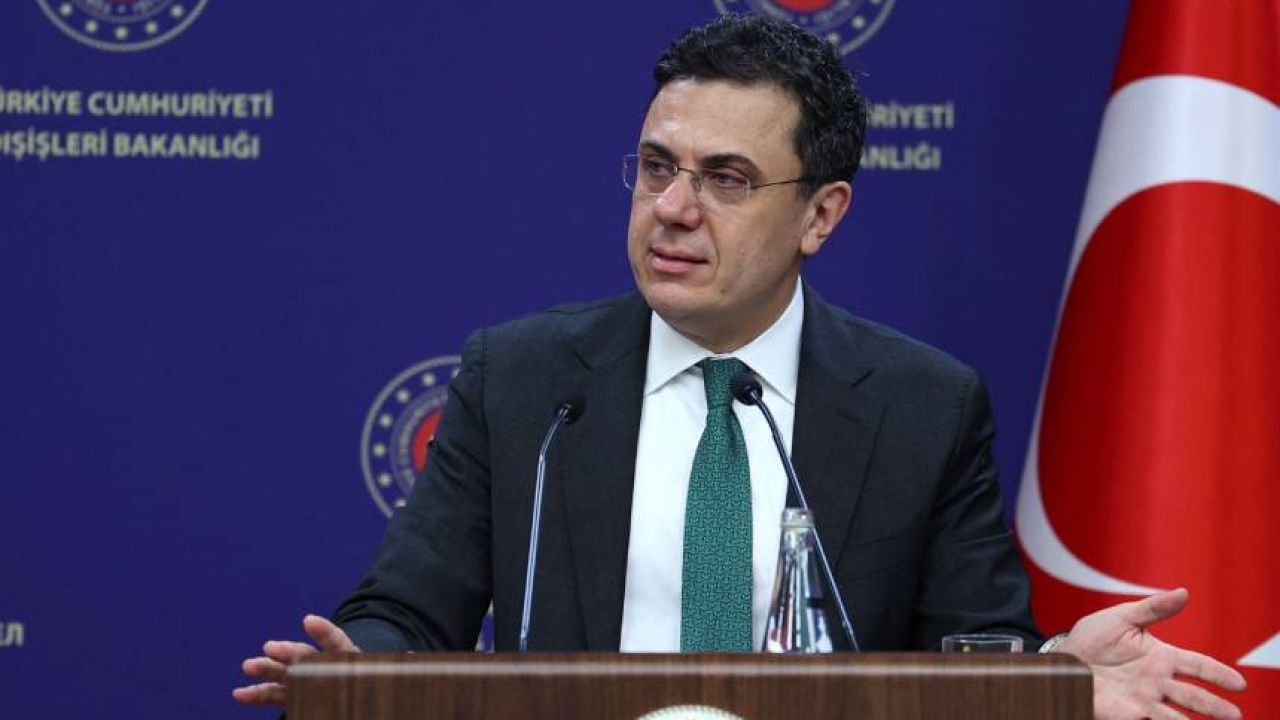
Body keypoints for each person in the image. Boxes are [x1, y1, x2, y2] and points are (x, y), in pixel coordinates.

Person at [235, 15, 1246, 719]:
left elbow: (969, 651)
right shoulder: (525, 381)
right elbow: (408, 611)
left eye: (725, 179)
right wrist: (358, 667)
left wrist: (1049, 680)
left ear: (820, 214)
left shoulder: (920, 406)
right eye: (656, 167)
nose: (673, 209)